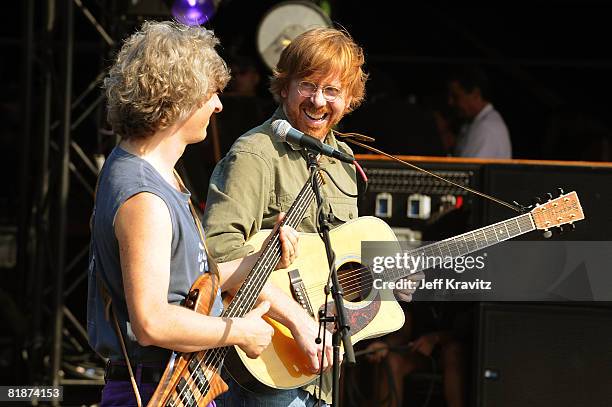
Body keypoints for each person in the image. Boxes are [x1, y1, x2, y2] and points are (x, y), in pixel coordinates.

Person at [203, 27, 422, 406]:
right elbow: (216, 260)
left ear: (351, 98)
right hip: (265, 364)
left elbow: (334, 270)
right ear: (284, 87)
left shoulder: (344, 165)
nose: (318, 100)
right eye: (307, 85)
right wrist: (297, 321)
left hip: (320, 372)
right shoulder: (255, 154)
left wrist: (388, 281)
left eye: (332, 90)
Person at [86, 21, 301, 406]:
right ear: (178, 98)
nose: (219, 104)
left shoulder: (155, 172)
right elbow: (152, 321)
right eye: (210, 94)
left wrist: (259, 259)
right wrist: (239, 331)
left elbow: (192, 282)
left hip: (180, 386)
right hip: (154, 390)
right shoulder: (143, 195)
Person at [362, 302, 472, 407]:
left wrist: (436, 338)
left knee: (453, 351)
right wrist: (386, 345)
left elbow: (468, 330)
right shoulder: (413, 289)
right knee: (392, 360)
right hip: (417, 354)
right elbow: (402, 332)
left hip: (455, 355)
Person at [447, 66, 512, 158]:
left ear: (475, 94)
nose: (450, 102)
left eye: (456, 96)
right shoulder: (474, 123)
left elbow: (469, 171)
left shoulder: (486, 128)